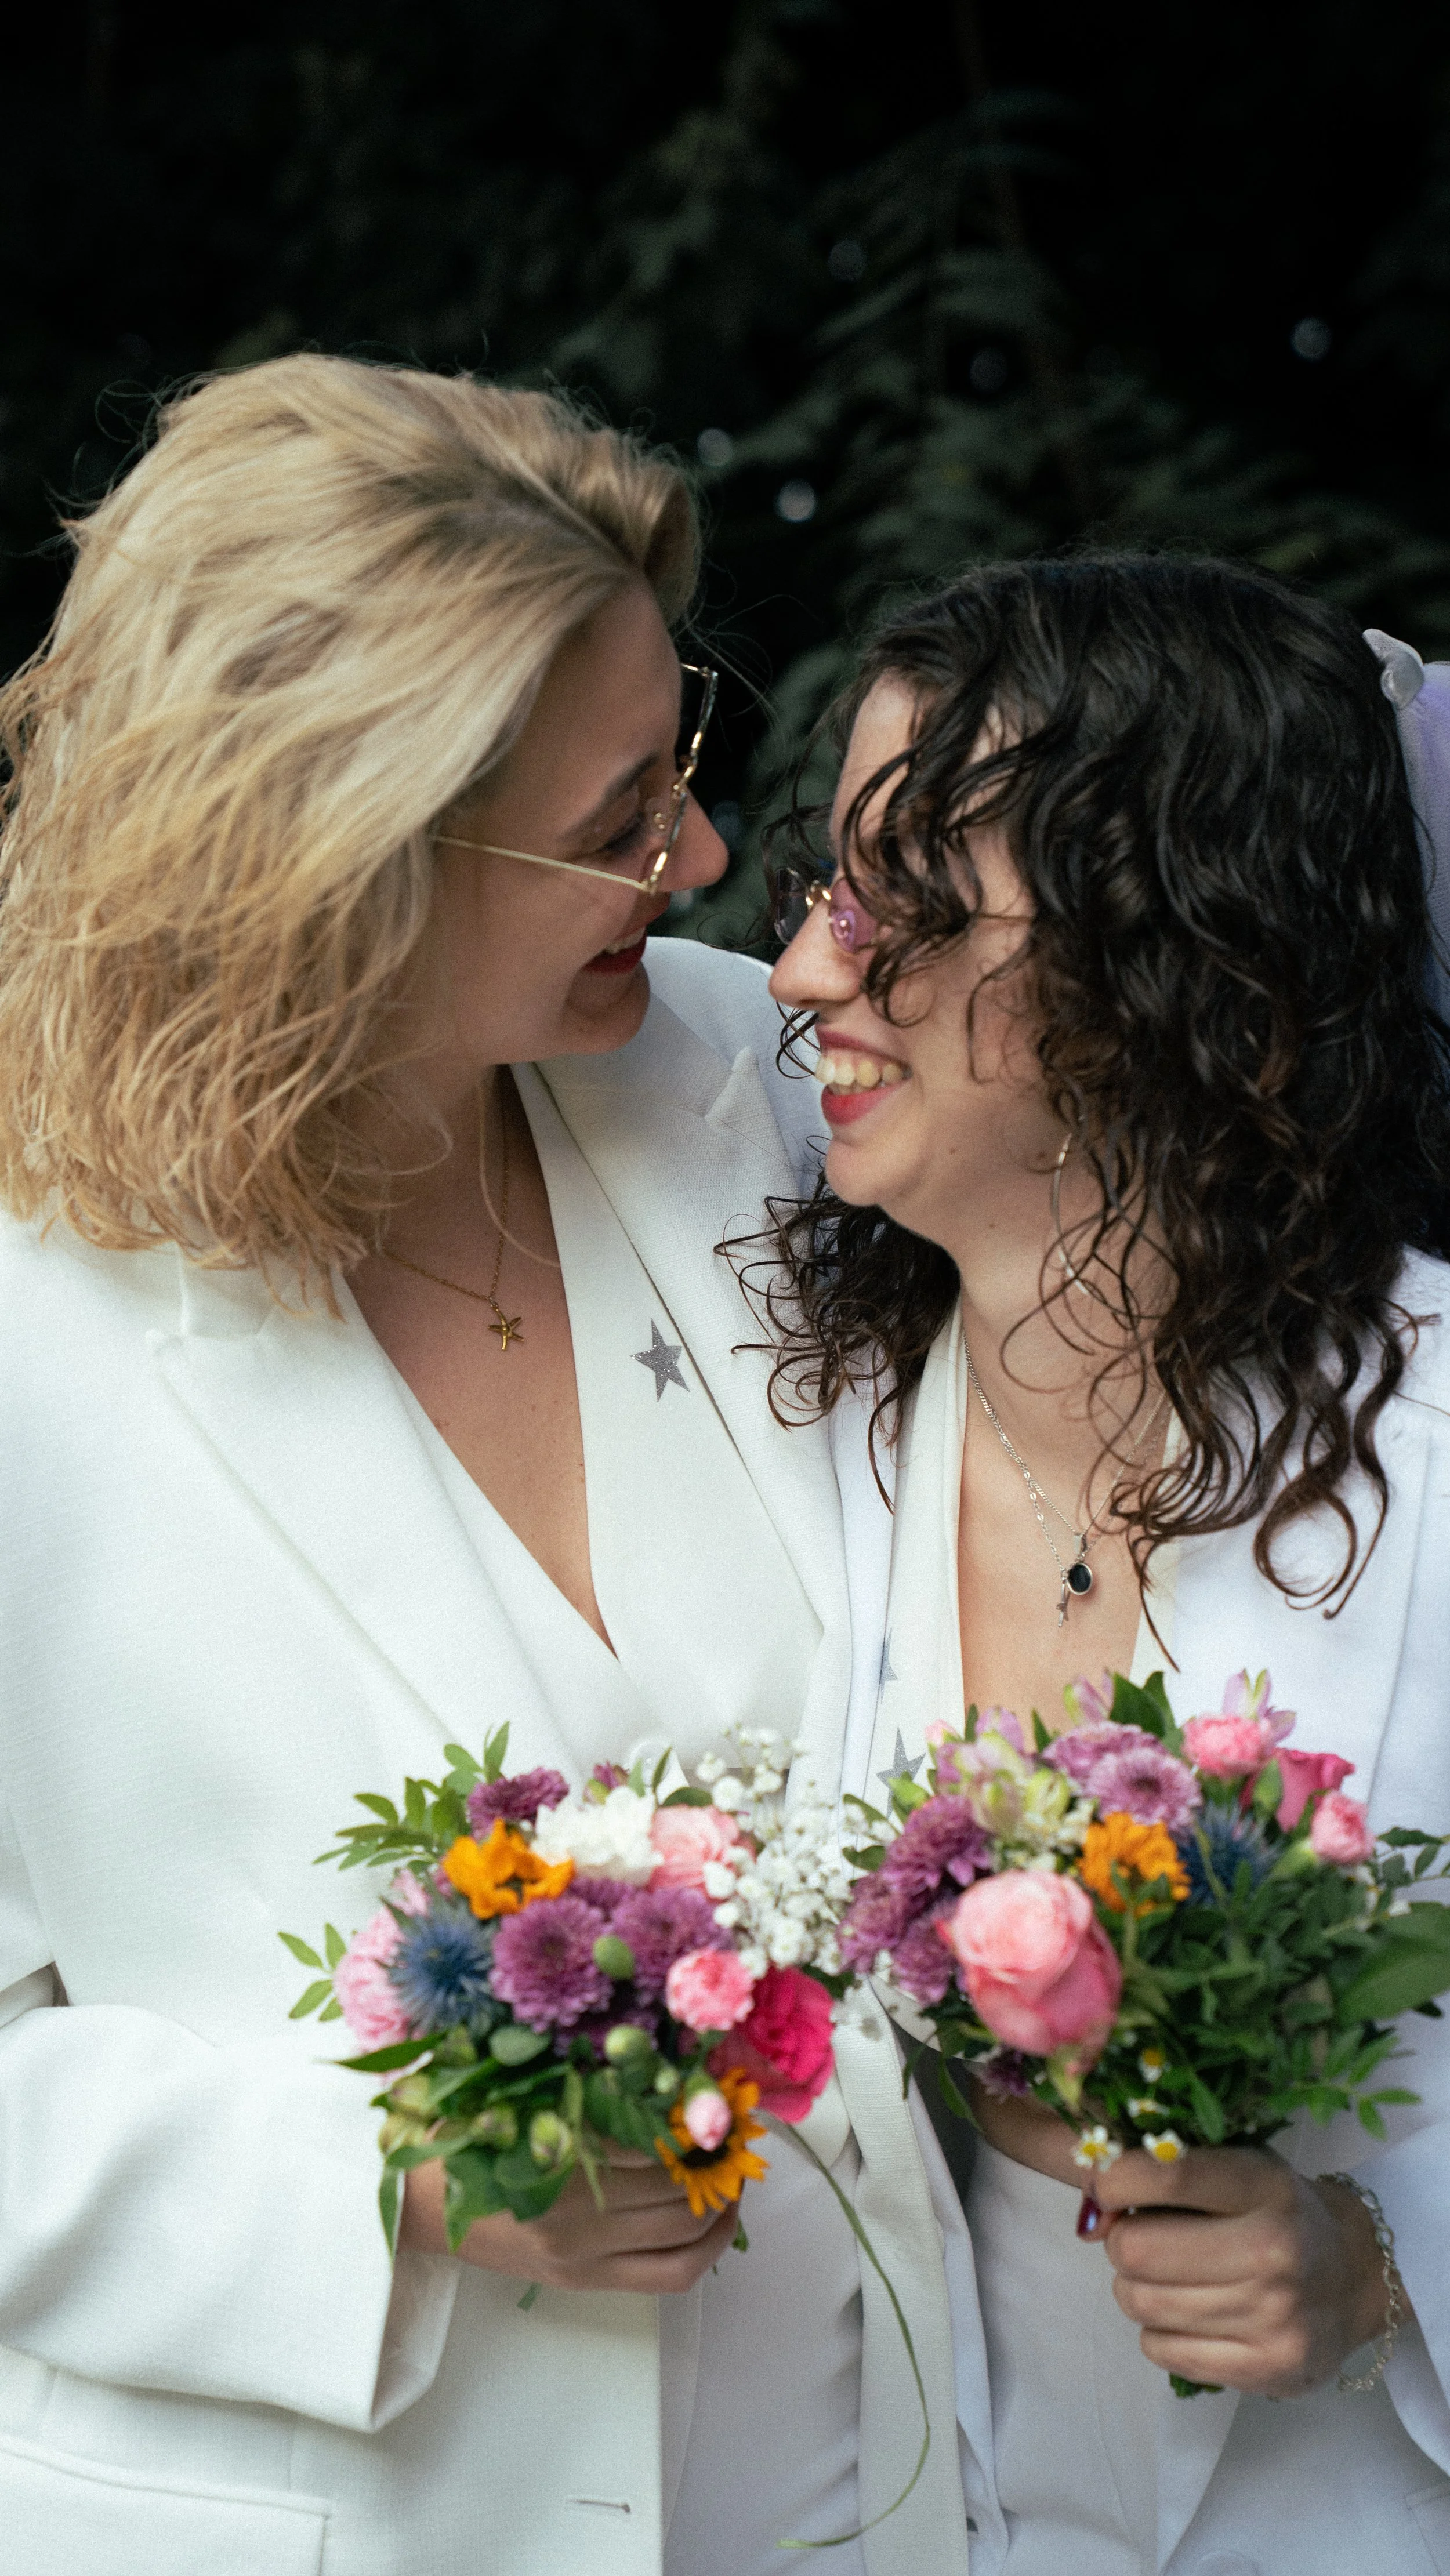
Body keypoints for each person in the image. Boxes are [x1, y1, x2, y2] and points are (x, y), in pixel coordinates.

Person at [0, 357, 971, 2576]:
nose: (708, 861)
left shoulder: (759, 1078)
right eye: (622, 811)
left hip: (883, 2493)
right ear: (346, 854)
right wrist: (396, 2186)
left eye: (687, 763)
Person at [762, 553, 1450, 2576]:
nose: (805, 969)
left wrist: (1381, 2279)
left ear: (1170, 958)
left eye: (906, 901)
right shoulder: (808, 1447)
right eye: (825, 883)